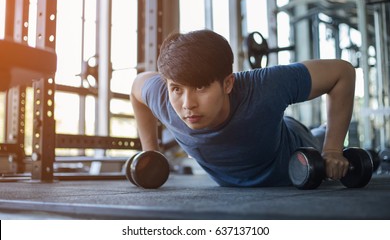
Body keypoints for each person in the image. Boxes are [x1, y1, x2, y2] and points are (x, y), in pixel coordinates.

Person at [130, 29, 356, 187]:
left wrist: (333, 150)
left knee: (318, 135)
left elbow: (342, 73)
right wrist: (152, 151)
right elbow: (136, 88)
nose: (188, 104)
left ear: (227, 83)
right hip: (266, 140)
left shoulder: (264, 86)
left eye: (200, 87)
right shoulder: (164, 97)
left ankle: (323, 130)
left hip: (295, 149)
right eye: (177, 89)